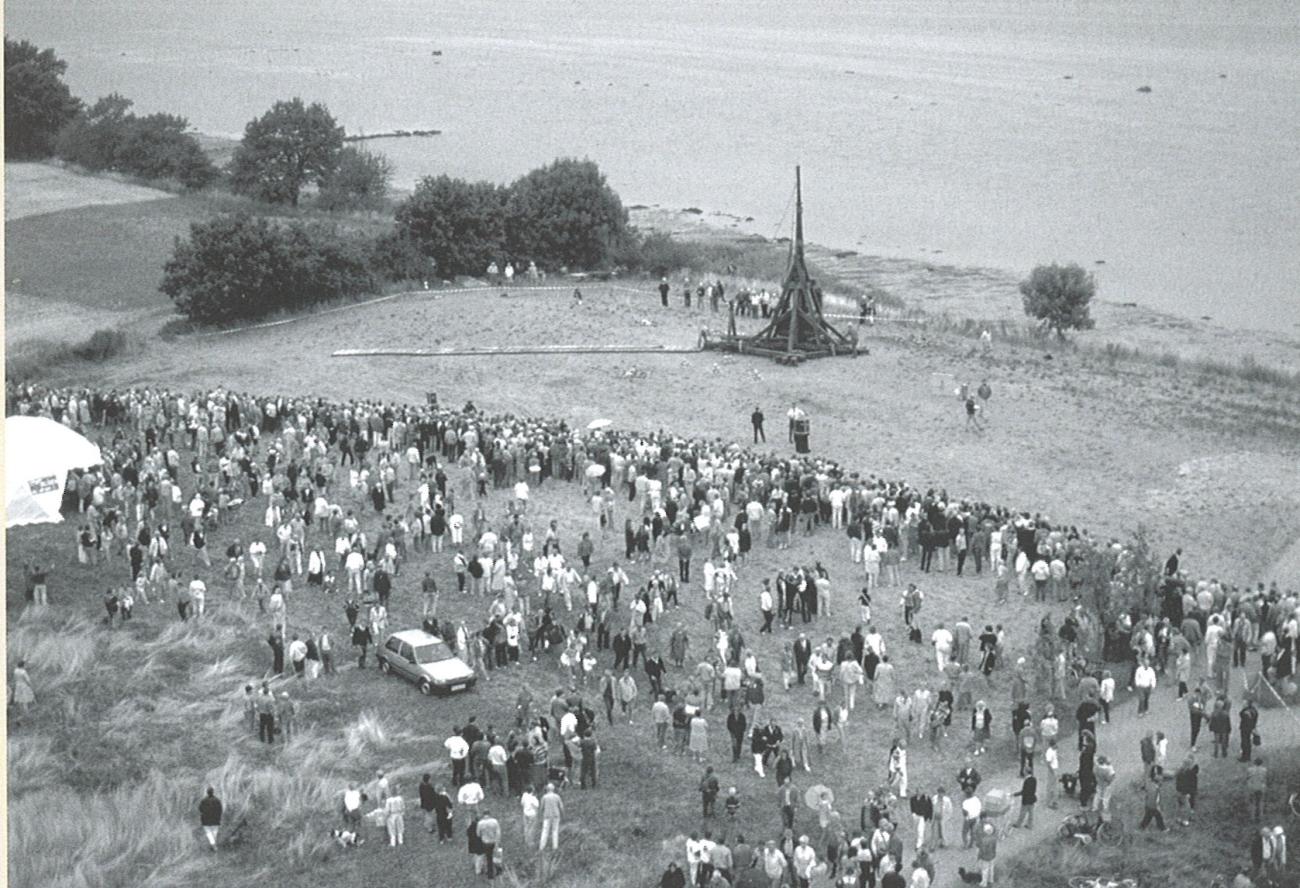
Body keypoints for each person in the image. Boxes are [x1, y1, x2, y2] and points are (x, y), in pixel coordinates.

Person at [540, 782, 563, 851]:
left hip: (547, 816)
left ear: (547, 789)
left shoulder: (544, 797)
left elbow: (541, 807)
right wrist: (563, 814)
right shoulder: (557, 796)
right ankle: (555, 847)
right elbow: (561, 807)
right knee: (555, 831)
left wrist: (540, 814)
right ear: (553, 789)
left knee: (545, 831)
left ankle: (542, 847)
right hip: (556, 815)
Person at [477, 809, 500, 878]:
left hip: (485, 842)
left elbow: (478, 834)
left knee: (487, 857)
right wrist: (497, 841)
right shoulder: (495, 821)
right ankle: (497, 869)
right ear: (490, 814)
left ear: (483, 815)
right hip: (493, 841)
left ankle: (489, 873)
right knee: (495, 856)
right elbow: (498, 832)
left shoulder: (480, 823)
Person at [199, 787, 223, 851]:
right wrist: (219, 817)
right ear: (213, 792)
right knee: (214, 832)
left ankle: (213, 845)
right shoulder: (217, 800)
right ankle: (213, 845)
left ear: (207, 792)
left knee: (208, 832)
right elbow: (220, 810)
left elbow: (200, 809)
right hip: (215, 819)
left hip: (206, 819)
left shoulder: (203, 800)